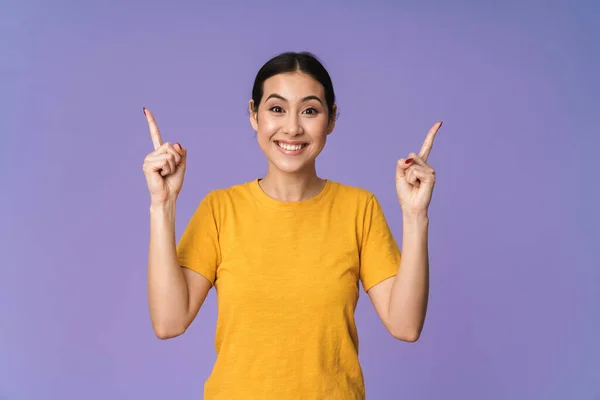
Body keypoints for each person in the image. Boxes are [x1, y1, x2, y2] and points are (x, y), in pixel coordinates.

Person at [142, 51, 441, 400]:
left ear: (330, 120)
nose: (293, 127)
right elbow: (169, 322)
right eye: (277, 108)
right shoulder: (220, 210)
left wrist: (415, 215)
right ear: (255, 115)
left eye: (310, 110)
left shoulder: (359, 209)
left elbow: (405, 326)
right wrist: (162, 204)